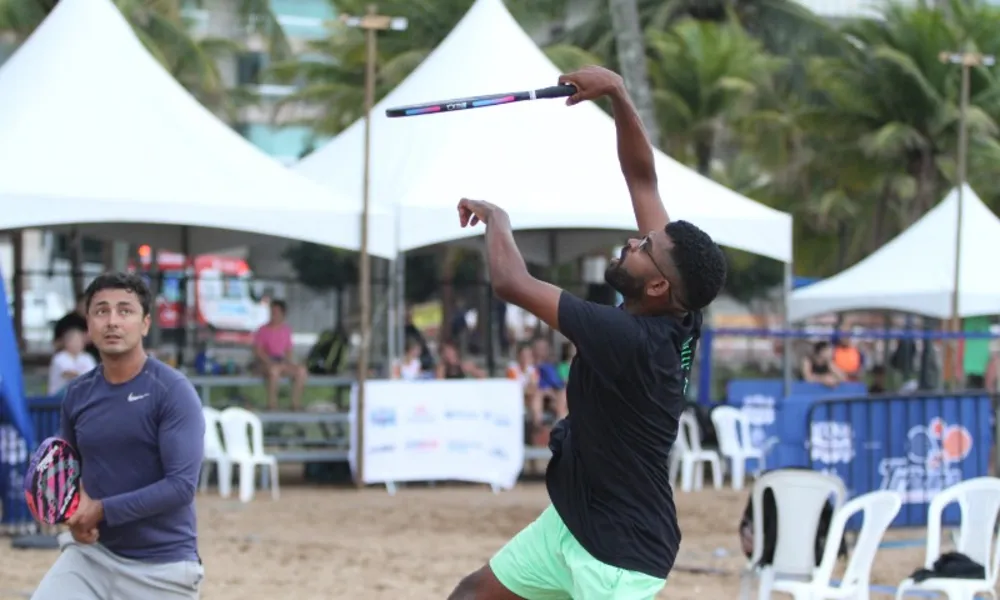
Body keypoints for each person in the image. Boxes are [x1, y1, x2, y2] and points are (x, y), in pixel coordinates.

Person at [447, 66, 728, 600]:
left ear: (656, 288)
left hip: (620, 557)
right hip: (575, 521)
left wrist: (498, 218)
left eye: (644, 249)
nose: (633, 242)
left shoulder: (630, 339)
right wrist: (619, 94)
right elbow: (643, 178)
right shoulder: (673, 306)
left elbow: (510, 281)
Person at [33, 272, 205, 600]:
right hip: (91, 557)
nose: (112, 321)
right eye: (101, 311)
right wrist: (75, 514)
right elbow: (70, 472)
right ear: (89, 324)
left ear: (145, 324)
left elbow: (182, 486)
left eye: (125, 311)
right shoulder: (78, 394)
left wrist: (99, 510)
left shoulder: (172, 391)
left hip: (163, 567)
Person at [253, 300, 308, 410]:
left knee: (301, 371)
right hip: (266, 363)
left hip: (282, 361)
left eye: (276, 312)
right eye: (272, 312)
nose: (274, 315)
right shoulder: (262, 330)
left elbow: (288, 350)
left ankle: (295, 404)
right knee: (274, 371)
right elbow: (258, 351)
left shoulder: (286, 330)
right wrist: (269, 361)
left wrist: (288, 361)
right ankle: (272, 404)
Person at [47, 327, 97, 395]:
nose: (79, 343)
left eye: (80, 340)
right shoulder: (60, 357)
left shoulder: (87, 357)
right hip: (59, 396)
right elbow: (68, 374)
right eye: (75, 340)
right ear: (67, 342)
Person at [52, 294, 99, 362]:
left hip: (93, 359)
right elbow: (56, 344)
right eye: (84, 304)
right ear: (77, 304)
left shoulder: (96, 321)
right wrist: (76, 340)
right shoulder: (65, 322)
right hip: (70, 359)